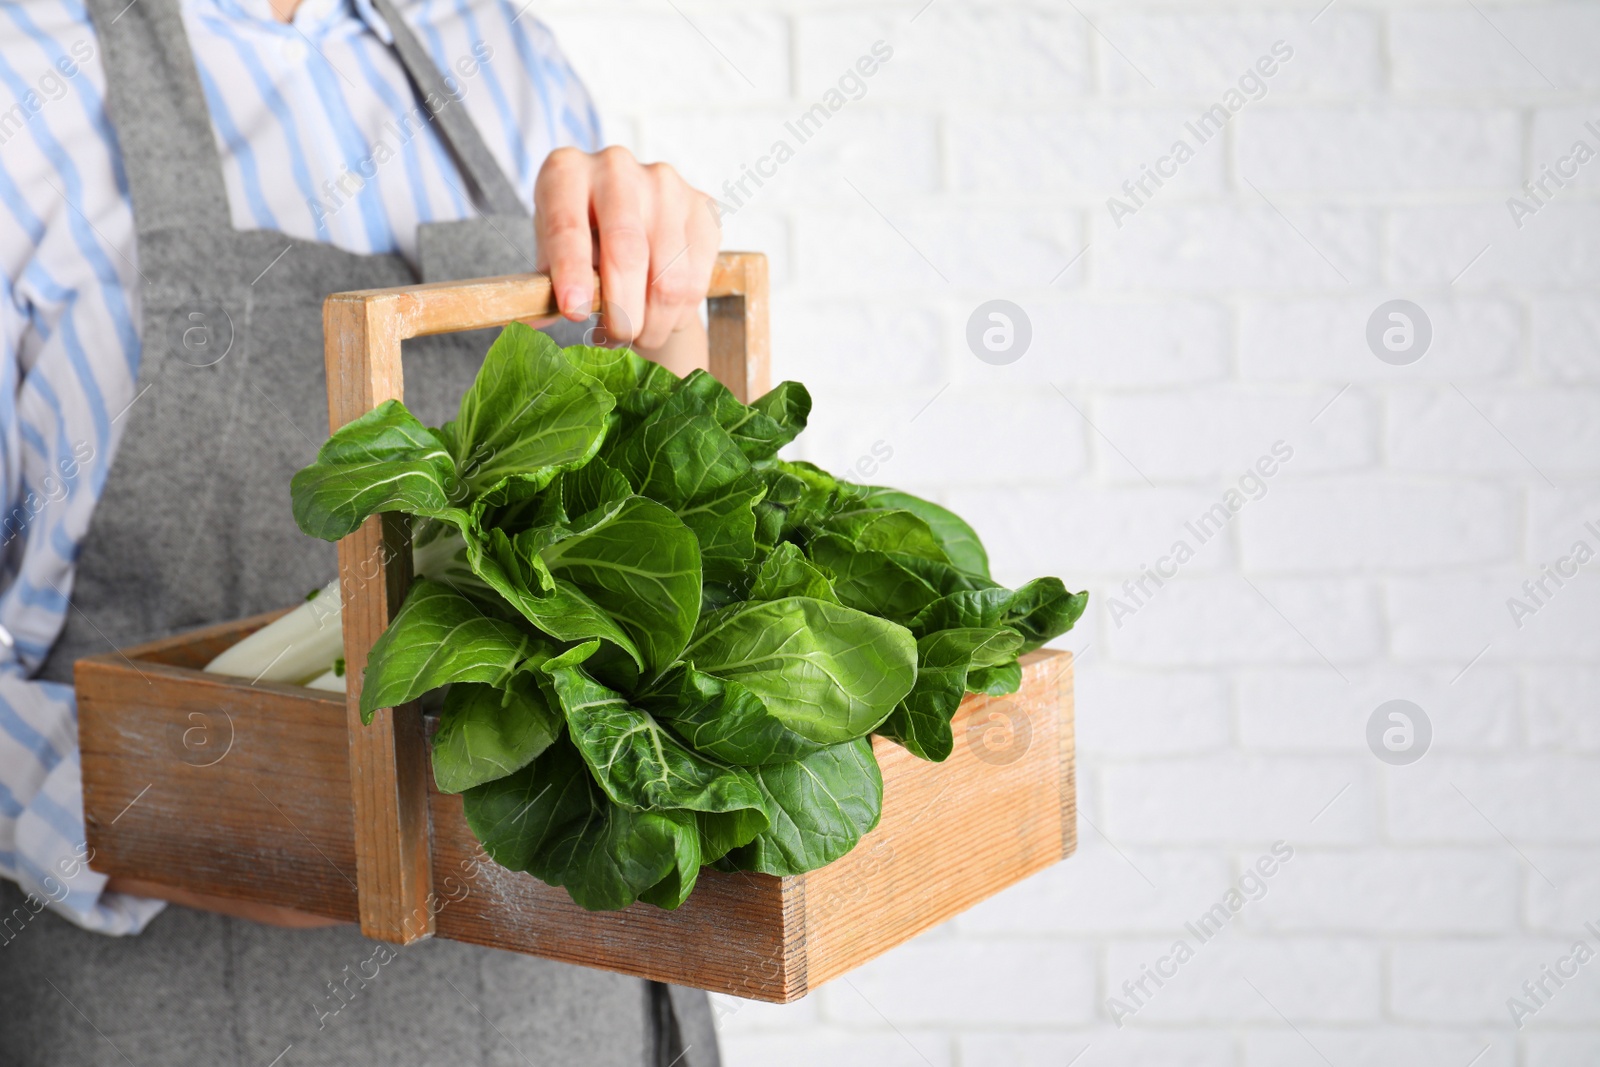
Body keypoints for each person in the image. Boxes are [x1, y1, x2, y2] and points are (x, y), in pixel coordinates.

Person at [0, 0, 723, 1062]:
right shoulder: (24, 84)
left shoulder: (505, 53)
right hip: (175, 1014)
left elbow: (634, 538)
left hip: (573, 1009)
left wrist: (668, 340)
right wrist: (172, 800)